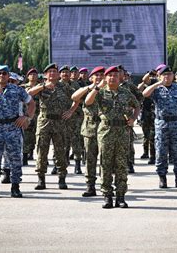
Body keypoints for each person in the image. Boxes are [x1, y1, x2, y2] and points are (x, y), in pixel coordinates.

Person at [85, 66, 140, 208]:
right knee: (105, 164)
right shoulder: (100, 92)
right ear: (105, 78)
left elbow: (137, 105)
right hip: (106, 131)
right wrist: (97, 87)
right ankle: (107, 196)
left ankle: (120, 196)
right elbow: (88, 102)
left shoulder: (126, 93)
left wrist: (133, 118)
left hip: (122, 130)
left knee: (121, 164)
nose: (112, 78)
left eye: (115, 75)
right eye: (109, 76)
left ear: (119, 77)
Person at [0, 65, 36, 198]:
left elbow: (31, 103)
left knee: (15, 158)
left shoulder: (16, 89)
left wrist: (27, 117)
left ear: (8, 75)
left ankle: (15, 187)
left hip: (13, 127)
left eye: (4, 73)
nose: (1, 76)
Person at [27, 63, 77, 190]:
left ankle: (62, 178)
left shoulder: (64, 86)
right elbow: (28, 94)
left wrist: (71, 111)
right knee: (42, 152)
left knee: (60, 152)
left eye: (55, 71)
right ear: (45, 75)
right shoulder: (41, 86)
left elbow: (77, 97)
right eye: (50, 72)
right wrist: (43, 86)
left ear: (58, 74)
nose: (52, 74)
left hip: (59, 122)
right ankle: (41, 179)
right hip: (44, 121)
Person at [143, 65, 177, 189]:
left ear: (173, 76)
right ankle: (162, 178)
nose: (167, 77)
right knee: (161, 152)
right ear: (159, 76)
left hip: (176, 123)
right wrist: (157, 84)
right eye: (164, 75)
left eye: (169, 74)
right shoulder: (157, 89)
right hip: (161, 124)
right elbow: (145, 94)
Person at [72, 66, 105, 197]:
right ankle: (90, 186)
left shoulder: (109, 90)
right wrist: (90, 88)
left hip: (106, 128)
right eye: (96, 75)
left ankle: (106, 185)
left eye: (102, 75)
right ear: (91, 78)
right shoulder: (86, 89)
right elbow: (74, 97)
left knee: (105, 160)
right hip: (90, 128)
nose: (99, 77)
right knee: (90, 159)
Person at [118, 65, 144, 174]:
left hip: (126, 119)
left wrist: (133, 111)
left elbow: (140, 97)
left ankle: (129, 163)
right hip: (111, 118)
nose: (118, 74)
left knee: (128, 142)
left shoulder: (129, 86)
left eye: (120, 72)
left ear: (124, 74)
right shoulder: (107, 86)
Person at [138, 70, 157, 165]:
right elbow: (143, 81)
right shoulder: (146, 85)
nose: (152, 77)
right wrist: (149, 74)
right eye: (151, 76)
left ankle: (153, 156)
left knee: (153, 136)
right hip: (146, 113)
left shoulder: (157, 83)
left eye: (154, 75)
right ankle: (146, 152)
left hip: (155, 114)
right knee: (146, 135)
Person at [21, 68, 40, 166]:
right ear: (28, 76)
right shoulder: (23, 87)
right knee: (26, 136)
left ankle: (40, 157)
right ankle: (24, 157)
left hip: (39, 115)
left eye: (35, 74)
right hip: (27, 114)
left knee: (40, 137)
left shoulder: (41, 87)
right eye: (31, 74)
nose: (33, 76)